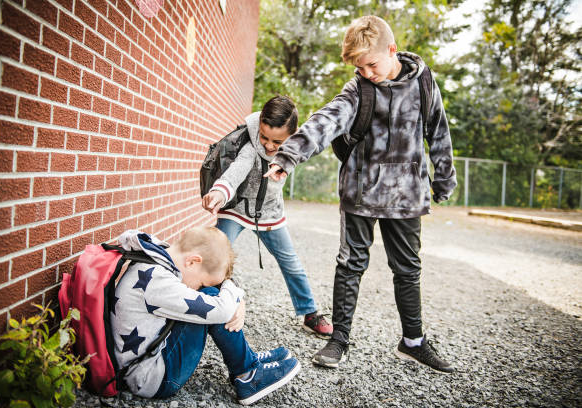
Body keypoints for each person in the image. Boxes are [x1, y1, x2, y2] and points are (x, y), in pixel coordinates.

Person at [264, 16, 457, 373]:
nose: (367, 72)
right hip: (361, 191)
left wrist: (444, 179)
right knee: (351, 265)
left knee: (408, 268)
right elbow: (325, 121)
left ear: (392, 50)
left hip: (406, 195)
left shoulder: (425, 84)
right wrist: (288, 156)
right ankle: (338, 339)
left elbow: (439, 132)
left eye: (372, 64)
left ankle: (413, 342)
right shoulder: (359, 90)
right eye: (359, 66)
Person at [111, 227, 301, 405]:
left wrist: (236, 298)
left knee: (212, 296)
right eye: (201, 281)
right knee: (212, 298)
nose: (199, 285)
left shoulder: (157, 258)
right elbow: (221, 310)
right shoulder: (158, 281)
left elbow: (220, 299)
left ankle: (248, 360)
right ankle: (248, 374)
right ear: (193, 261)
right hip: (150, 379)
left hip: (146, 363)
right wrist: (233, 292)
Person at [202, 95, 333, 339]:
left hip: (270, 212)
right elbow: (236, 171)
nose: (269, 146)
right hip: (236, 209)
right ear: (259, 126)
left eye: (278, 141)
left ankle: (309, 312)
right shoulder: (251, 145)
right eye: (265, 137)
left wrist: (285, 163)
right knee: (216, 255)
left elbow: (309, 147)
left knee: (291, 263)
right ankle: (201, 304)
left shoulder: (294, 148)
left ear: (292, 136)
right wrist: (220, 191)